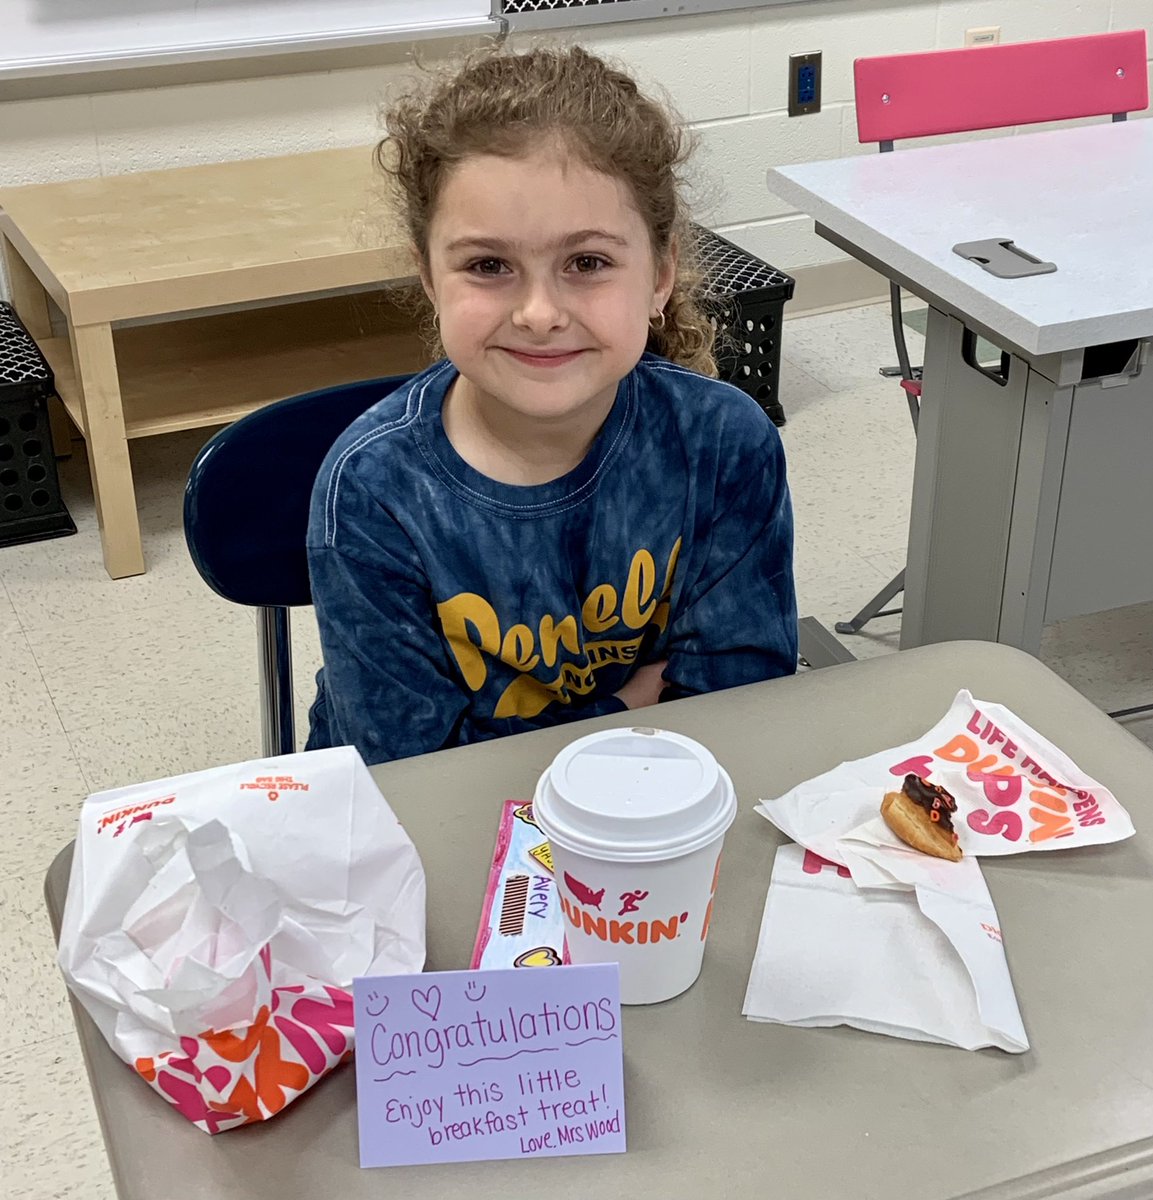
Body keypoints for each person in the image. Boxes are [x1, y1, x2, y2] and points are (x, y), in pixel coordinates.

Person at [306, 44, 797, 766]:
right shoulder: (374, 490)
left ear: (660, 275)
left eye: (587, 263)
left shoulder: (723, 441)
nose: (539, 313)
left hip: (655, 800)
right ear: (430, 278)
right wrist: (625, 707)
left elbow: (740, 701)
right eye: (488, 265)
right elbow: (410, 767)